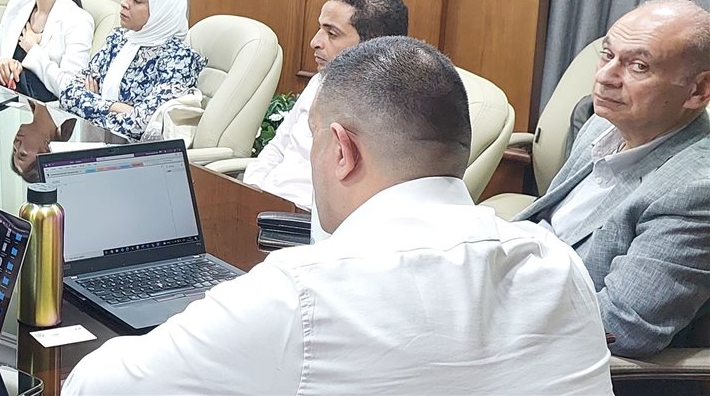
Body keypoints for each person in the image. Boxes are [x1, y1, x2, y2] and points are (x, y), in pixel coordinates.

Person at [62, 37, 612, 395]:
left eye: (313, 142)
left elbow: (94, 387)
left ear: (342, 151)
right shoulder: (558, 264)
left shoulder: (301, 293)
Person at [516, 0, 710, 357]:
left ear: (698, 90)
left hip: (553, 354)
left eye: (638, 66)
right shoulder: (603, 123)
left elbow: (623, 327)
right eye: (607, 55)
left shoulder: (697, 190)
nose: (605, 77)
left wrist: (498, 302)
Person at [242, 0, 409, 209]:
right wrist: (252, 190)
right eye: (319, 28)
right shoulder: (320, 81)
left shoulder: (393, 111)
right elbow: (278, 148)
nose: (315, 42)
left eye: (332, 34)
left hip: (308, 220)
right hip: (265, 203)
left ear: (373, 45)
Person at [58, 0, 205, 140]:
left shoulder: (178, 59)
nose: (124, 3)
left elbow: (139, 126)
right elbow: (67, 94)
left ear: (162, 10)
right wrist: (114, 107)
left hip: (136, 152)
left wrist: (91, 101)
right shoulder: (119, 39)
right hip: (99, 141)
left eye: (137, 0)